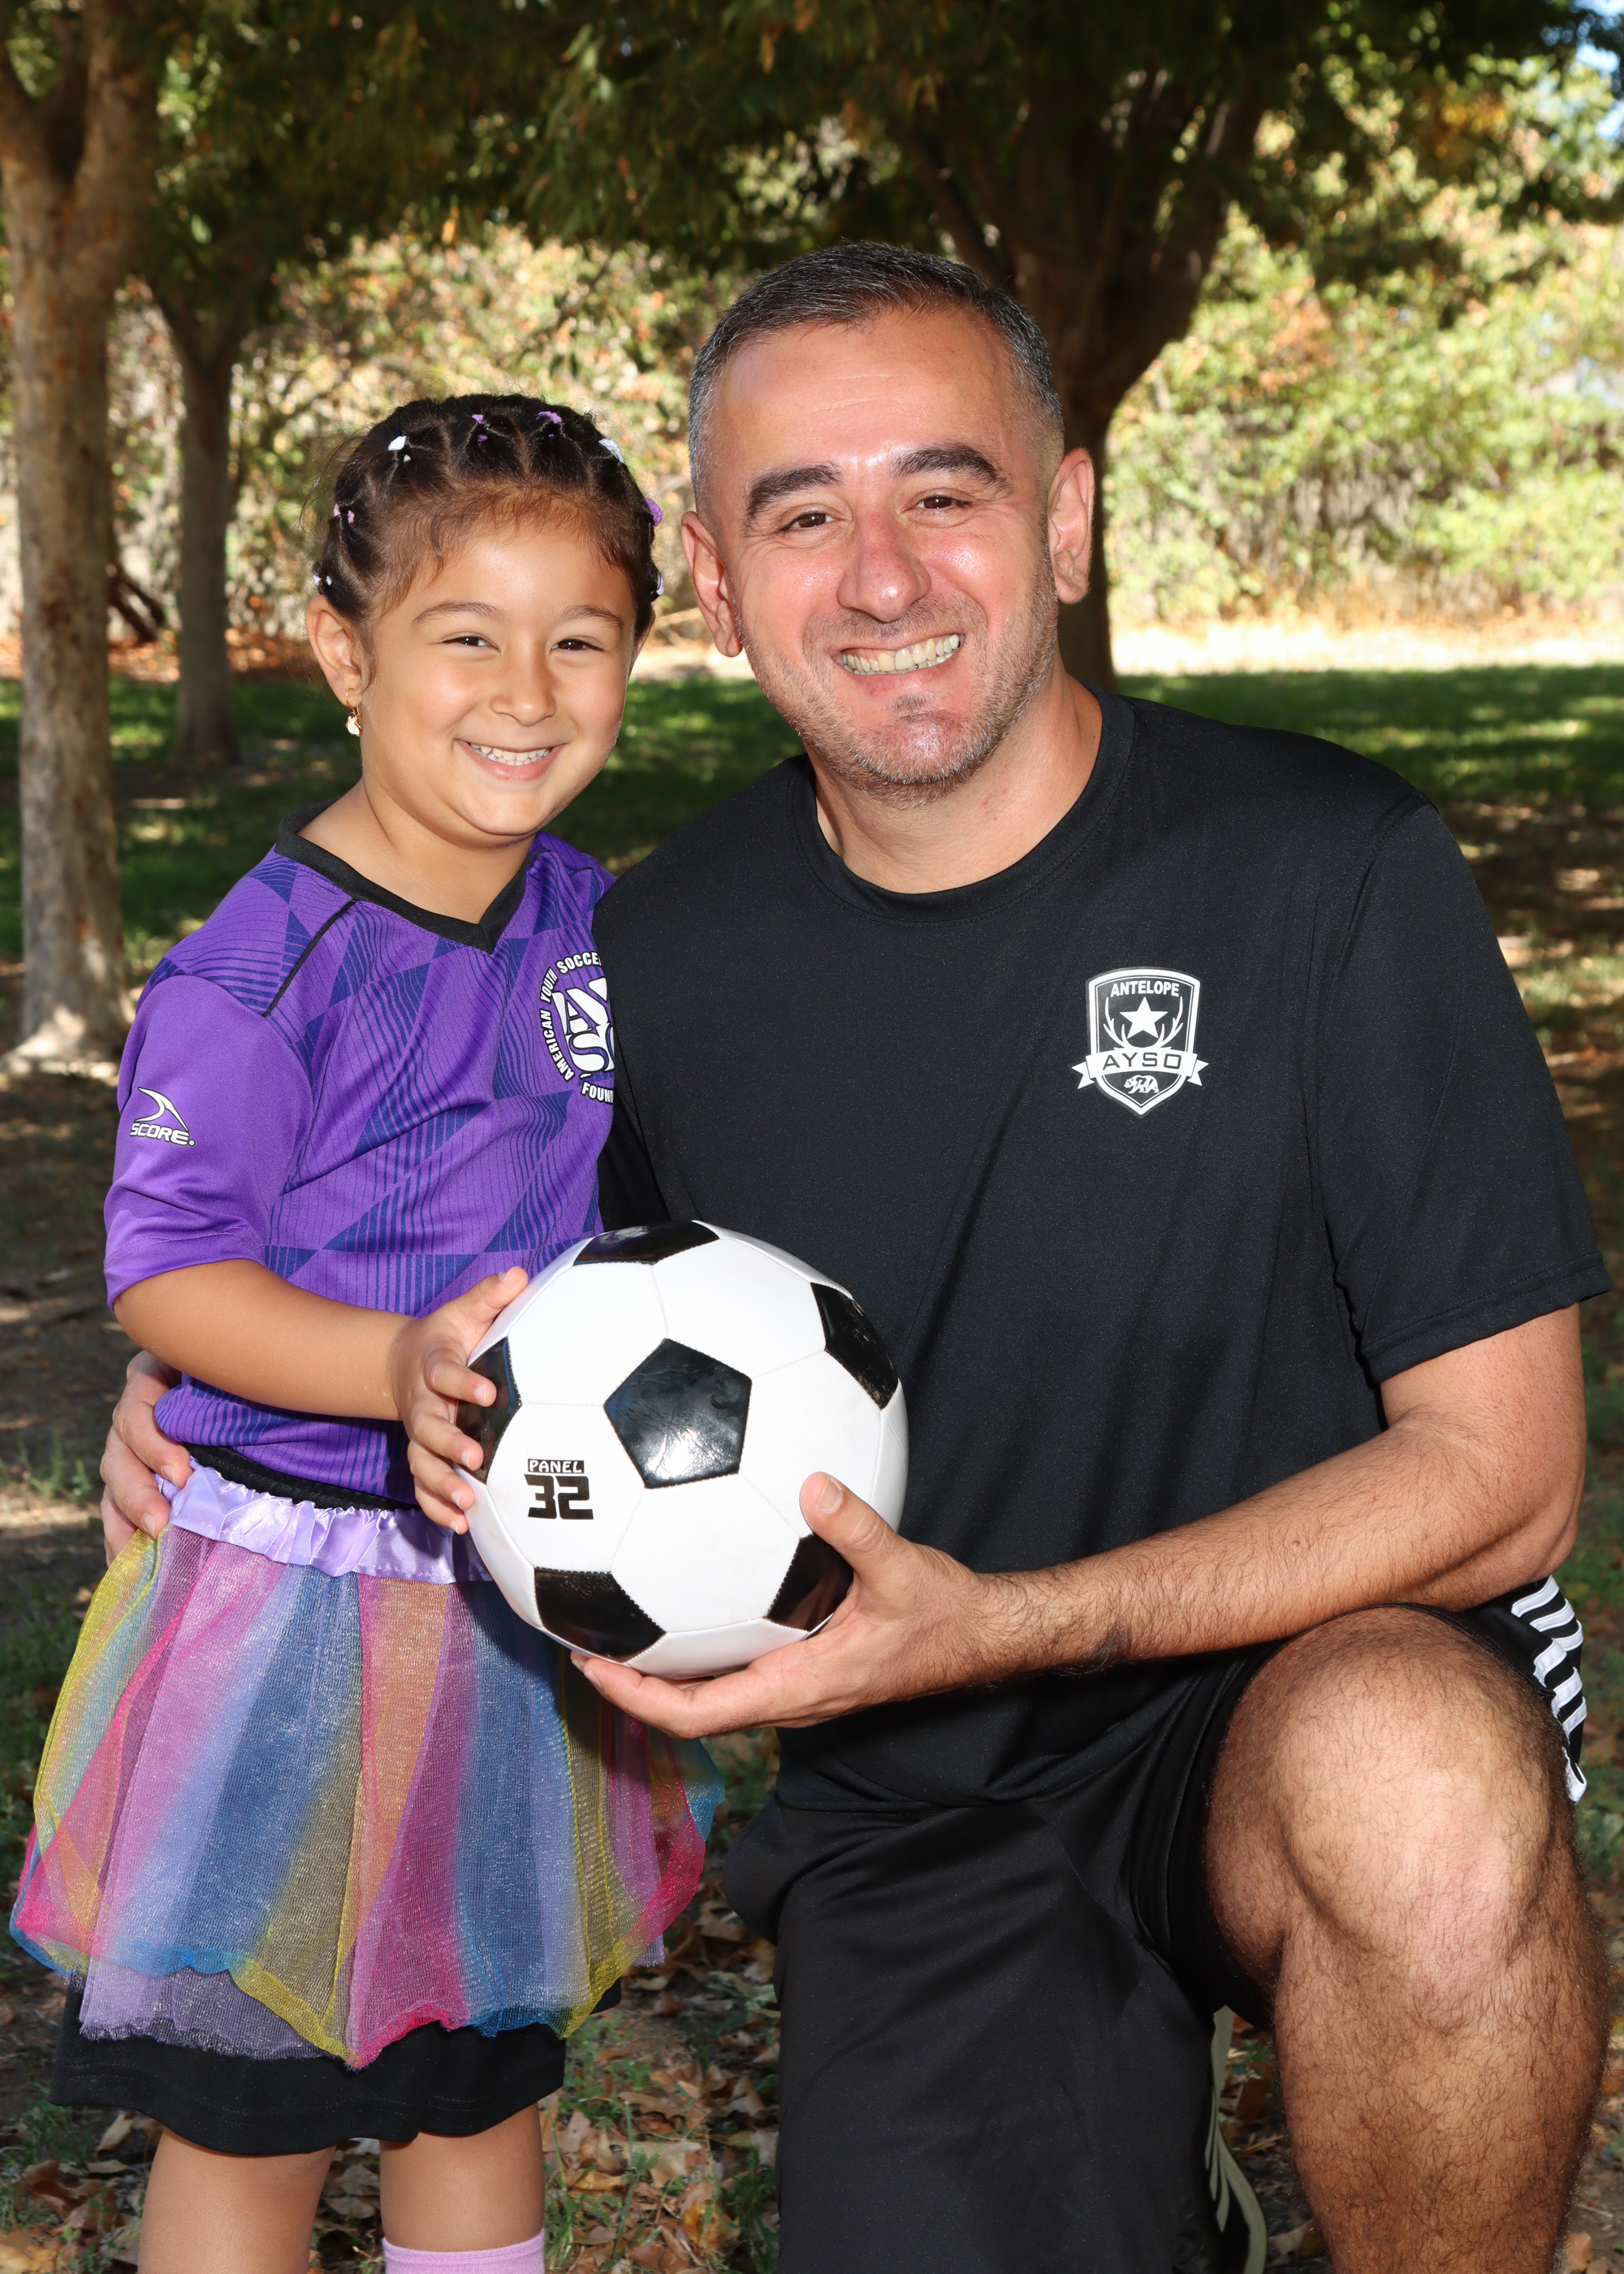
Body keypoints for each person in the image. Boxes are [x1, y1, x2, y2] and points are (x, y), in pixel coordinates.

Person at [106, 249, 1609, 2273]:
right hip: (924, 1780)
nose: (883, 576)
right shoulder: (644, 960)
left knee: (1414, 1785)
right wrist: (218, 1376)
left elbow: (1507, 1473)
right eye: (804, 515)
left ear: (1064, 516)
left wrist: (1015, 1617)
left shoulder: (1328, 869)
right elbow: (470, 1255)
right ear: (722, 587)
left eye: (944, 491)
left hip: (1295, 1678)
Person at [19, 395, 719, 2274]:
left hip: (510, 1600)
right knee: (254, 2109)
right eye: (465, 635)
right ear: (345, 653)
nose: (527, 690)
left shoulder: (603, 924)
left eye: (581, 639)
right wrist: (389, 1365)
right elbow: (170, 1273)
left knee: (473, 2085)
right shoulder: (260, 971)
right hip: (294, 1606)